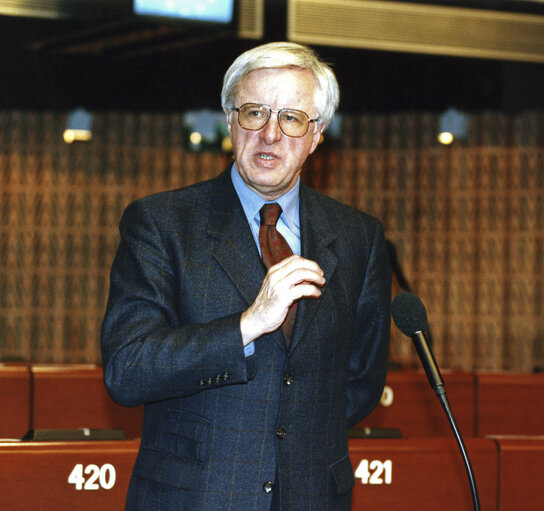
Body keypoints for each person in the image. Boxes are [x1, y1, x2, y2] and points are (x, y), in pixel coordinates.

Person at [101, 41, 391, 511]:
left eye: (292, 118)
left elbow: (359, 381)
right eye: (255, 112)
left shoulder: (359, 236)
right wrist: (247, 325)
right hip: (197, 497)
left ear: (317, 135)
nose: (271, 134)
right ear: (230, 121)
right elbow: (128, 369)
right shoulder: (161, 223)